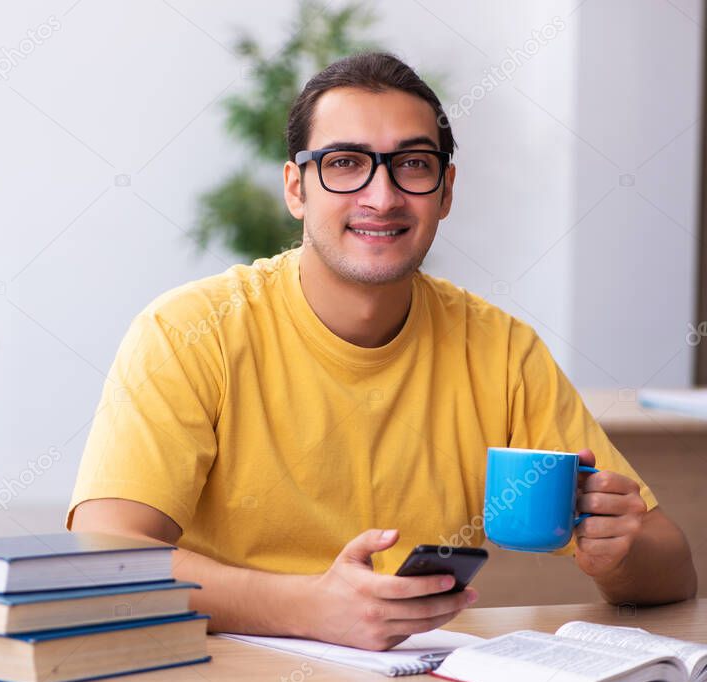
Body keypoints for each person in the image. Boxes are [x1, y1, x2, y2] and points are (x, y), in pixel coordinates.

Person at [66, 51, 697, 651]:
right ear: (296, 188)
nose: (382, 195)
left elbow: (674, 572)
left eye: (413, 164)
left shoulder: (501, 349)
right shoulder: (189, 332)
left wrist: (619, 553)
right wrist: (307, 606)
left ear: (445, 191)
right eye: (345, 162)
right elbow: (104, 558)